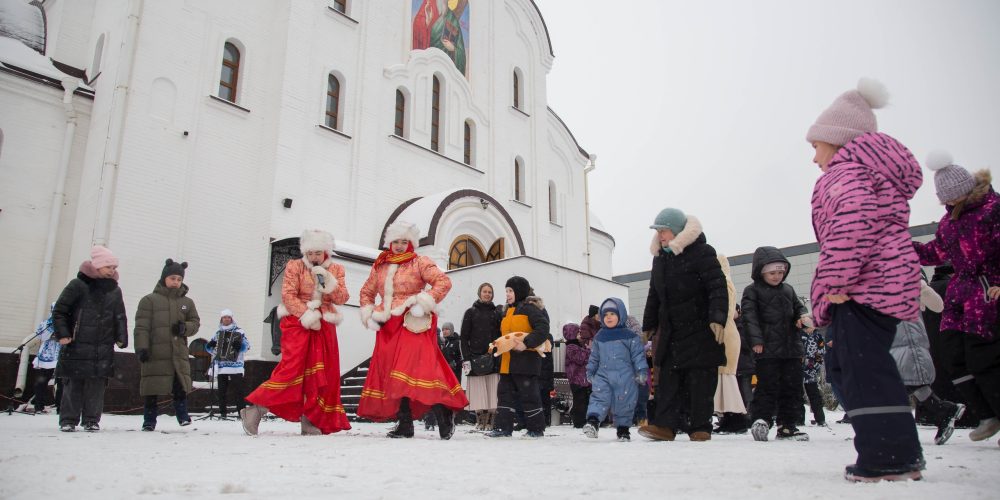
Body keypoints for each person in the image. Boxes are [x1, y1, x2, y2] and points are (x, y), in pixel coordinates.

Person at [807, 78, 924, 481]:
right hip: (879, 285)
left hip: (862, 289)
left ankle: (890, 456)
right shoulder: (870, 174)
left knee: (863, 370)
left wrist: (835, 282)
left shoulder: (847, 174)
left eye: (816, 146)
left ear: (837, 141)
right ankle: (893, 447)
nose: (815, 157)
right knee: (850, 367)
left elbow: (852, 227)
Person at [913, 152, 1000, 445]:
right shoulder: (949, 221)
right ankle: (986, 414)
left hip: (986, 291)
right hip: (959, 294)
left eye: (950, 199)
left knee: (983, 357)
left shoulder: (993, 210)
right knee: (951, 355)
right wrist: (902, 244)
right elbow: (935, 253)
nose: (947, 204)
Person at [357, 221, 467, 439]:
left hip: (412, 323)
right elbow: (366, 292)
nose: (399, 246)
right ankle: (405, 423)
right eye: (395, 241)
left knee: (416, 371)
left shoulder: (420, 262)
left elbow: (443, 282)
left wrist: (423, 302)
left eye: (403, 241)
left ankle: (443, 413)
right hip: (388, 326)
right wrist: (369, 313)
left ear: (411, 243)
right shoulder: (380, 266)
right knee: (395, 376)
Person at [241, 230, 351, 436]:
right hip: (299, 324)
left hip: (325, 327)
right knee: (291, 371)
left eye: (317, 253)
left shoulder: (336, 269)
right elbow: (288, 295)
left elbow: (342, 297)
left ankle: (311, 419)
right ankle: (255, 410)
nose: (313, 257)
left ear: (325, 251)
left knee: (322, 374)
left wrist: (327, 282)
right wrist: (307, 316)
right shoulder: (295, 266)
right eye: (310, 253)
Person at [638, 210, 727, 442]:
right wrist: (649, 325)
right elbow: (653, 295)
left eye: (663, 230)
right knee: (667, 379)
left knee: (700, 380)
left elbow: (717, 287)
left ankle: (700, 427)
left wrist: (717, 318)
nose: (660, 235)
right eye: (657, 231)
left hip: (699, 328)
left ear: (676, 230)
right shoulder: (660, 259)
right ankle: (665, 426)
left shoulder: (702, 253)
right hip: (671, 329)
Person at [52, 246, 127, 432]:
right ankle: (68, 420)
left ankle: (91, 419)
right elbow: (60, 311)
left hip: (102, 346)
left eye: (114, 267)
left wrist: (121, 337)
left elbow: (119, 316)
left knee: (97, 385)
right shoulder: (78, 285)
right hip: (76, 344)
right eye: (108, 266)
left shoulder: (114, 291)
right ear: (98, 266)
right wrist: (63, 334)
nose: (112, 270)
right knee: (73, 384)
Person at [743, 246, 813, 441]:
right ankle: (761, 419)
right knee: (767, 385)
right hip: (767, 350)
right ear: (761, 272)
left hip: (791, 348)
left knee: (792, 388)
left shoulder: (788, 290)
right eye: (772, 273)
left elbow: (799, 309)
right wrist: (756, 341)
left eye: (780, 272)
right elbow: (750, 318)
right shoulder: (752, 291)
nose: (776, 276)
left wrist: (803, 319)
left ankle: (787, 425)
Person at [890, 278, 966, 445]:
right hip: (896, 343)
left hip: (908, 342)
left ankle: (892, 430)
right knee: (911, 385)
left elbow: (938, 305)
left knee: (896, 387)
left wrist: (921, 289)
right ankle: (944, 411)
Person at [134, 259, 200, 431]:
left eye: (179, 279)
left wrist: (185, 328)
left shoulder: (187, 302)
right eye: (172, 278)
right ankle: (149, 420)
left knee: (180, 386)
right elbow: (142, 326)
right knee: (152, 388)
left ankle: (183, 416)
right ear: (164, 278)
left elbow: (195, 323)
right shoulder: (149, 300)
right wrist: (142, 347)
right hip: (156, 351)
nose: (176, 282)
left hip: (177, 352)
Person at [487, 276, 549, 438]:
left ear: (519, 291)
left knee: (529, 395)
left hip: (526, 362)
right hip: (507, 362)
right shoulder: (506, 311)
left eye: (510, 291)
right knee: (504, 395)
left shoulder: (530, 308)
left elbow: (543, 328)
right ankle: (503, 428)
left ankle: (536, 429)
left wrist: (526, 343)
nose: (507, 294)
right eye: (506, 291)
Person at [582, 298, 648, 442]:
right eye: (605, 315)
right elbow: (594, 357)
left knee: (625, 402)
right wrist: (590, 371)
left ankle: (623, 429)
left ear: (621, 315)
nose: (609, 317)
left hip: (625, 376)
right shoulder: (600, 336)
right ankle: (593, 421)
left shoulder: (630, 336)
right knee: (599, 397)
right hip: (603, 375)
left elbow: (638, 356)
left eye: (612, 313)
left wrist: (641, 371)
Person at [459, 283, 502, 431]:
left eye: (490, 292)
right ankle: (480, 420)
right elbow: (464, 338)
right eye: (485, 291)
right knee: (478, 391)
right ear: (479, 293)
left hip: (493, 357)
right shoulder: (470, 312)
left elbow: (501, 335)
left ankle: (490, 420)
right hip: (474, 358)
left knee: (492, 390)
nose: (487, 294)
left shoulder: (496, 313)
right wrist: (466, 357)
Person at [712, 255, 747, 433]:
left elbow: (724, 311)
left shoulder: (724, 284)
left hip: (725, 334)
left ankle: (736, 418)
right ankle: (727, 417)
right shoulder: (723, 283)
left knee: (726, 378)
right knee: (723, 378)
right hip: (723, 334)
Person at [205, 309, 249, 419]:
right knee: (221, 391)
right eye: (224, 317)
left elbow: (247, 346)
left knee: (238, 390)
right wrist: (210, 346)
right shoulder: (218, 333)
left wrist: (240, 346)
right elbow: (212, 351)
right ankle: (222, 413)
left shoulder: (240, 332)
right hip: (221, 366)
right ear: (221, 319)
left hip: (235, 366)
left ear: (232, 319)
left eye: (229, 317)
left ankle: (242, 413)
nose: (227, 319)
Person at [27, 304, 61, 414]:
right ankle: (39, 406)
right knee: (41, 382)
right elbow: (41, 335)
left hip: (63, 355)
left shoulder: (67, 321)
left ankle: (61, 407)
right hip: (47, 355)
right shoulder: (47, 322)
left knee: (62, 383)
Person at [562, 323, 591, 428]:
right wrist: (589, 350)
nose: (580, 334)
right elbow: (580, 359)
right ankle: (579, 421)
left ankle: (583, 419)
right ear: (572, 334)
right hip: (576, 379)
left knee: (583, 399)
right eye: (578, 332)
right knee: (580, 400)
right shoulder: (571, 347)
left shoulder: (578, 346)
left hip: (581, 379)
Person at [801, 324, 827, 427]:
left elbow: (821, 352)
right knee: (797, 394)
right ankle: (799, 419)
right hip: (797, 369)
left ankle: (820, 419)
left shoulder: (818, 337)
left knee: (814, 394)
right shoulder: (799, 335)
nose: (808, 329)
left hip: (810, 370)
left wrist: (815, 366)